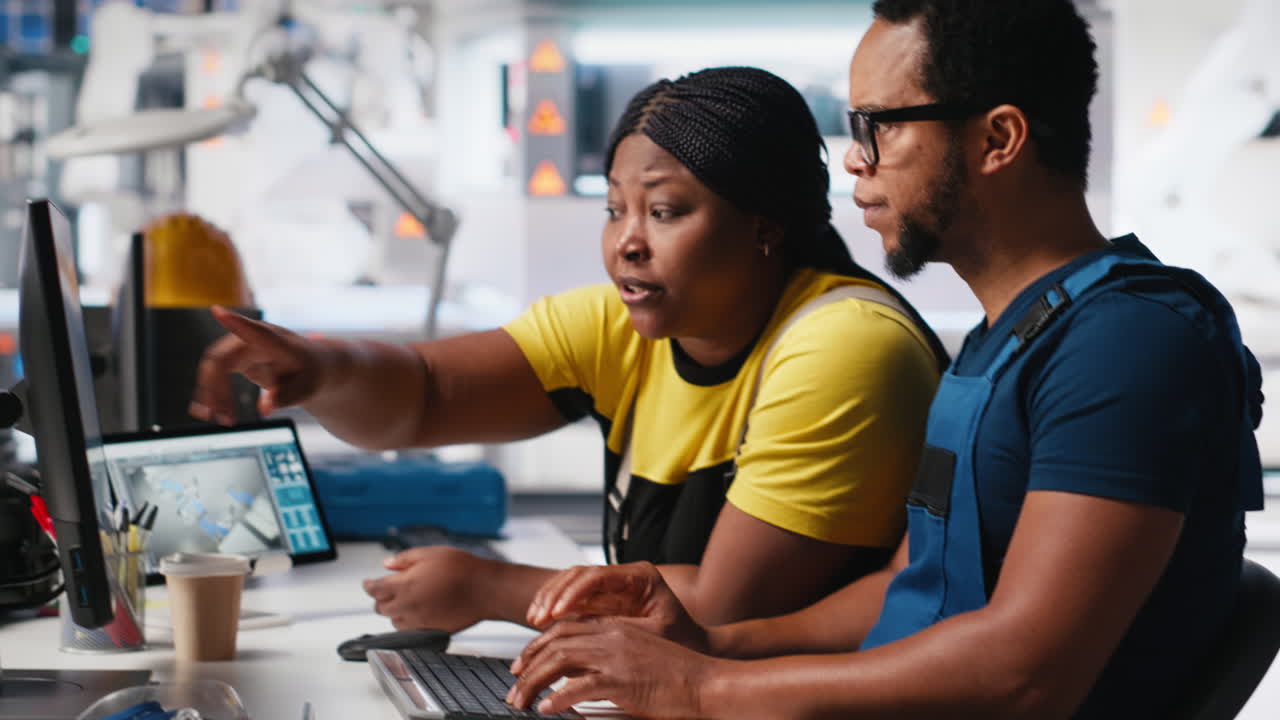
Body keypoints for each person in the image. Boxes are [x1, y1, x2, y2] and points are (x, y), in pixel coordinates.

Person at [506, 2, 1267, 718]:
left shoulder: (1126, 343)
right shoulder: (1006, 337)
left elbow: (1026, 673)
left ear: (998, 139)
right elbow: (910, 585)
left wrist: (707, 690)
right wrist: (712, 646)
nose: (855, 163)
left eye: (879, 127)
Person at [190, 66, 948, 631]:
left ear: (766, 224)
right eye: (615, 208)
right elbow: (422, 396)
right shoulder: (628, 324)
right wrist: (320, 369)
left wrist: (491, 591)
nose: (627, 242)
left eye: (664, 210)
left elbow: (727, 608)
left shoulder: (844, 346)